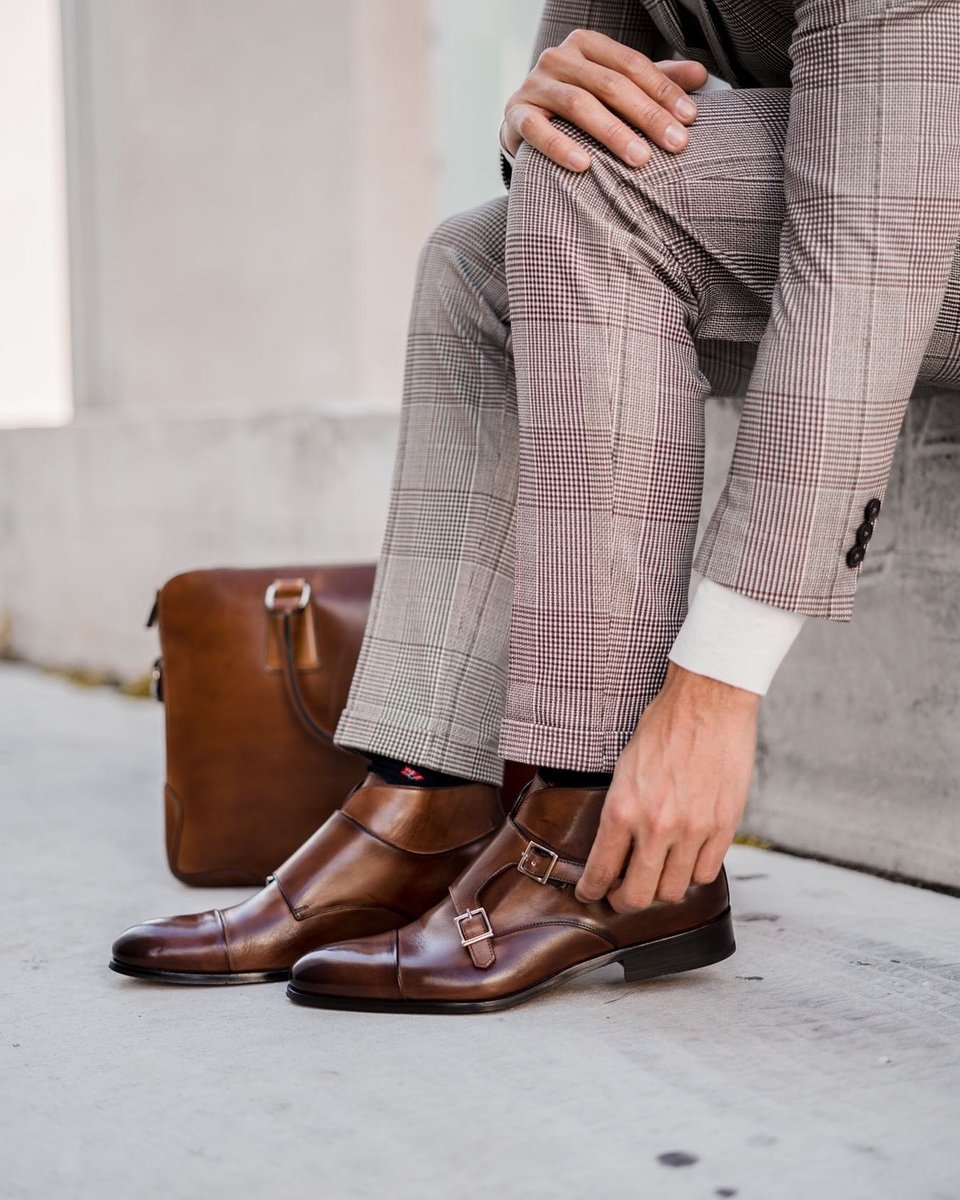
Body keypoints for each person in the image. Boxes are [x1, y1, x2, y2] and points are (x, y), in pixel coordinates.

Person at [110, 0, 960, 1012]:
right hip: (877, 186)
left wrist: (713, 690)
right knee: (479, 261)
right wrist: (527, 114)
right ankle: (423, 807)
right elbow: (570, 134)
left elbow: (867, 261)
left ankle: (587, 824)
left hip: (905, 213)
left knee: (603, 183)